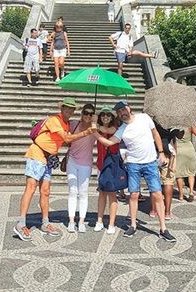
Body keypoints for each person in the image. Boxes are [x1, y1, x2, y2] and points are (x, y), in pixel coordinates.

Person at [14, 98, 96, 241]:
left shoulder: (66, 124)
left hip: (48, 158)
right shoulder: (54, 120)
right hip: (37, 154)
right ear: (61, 108)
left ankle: (45, 223)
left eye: (72, 109)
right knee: (31, 188)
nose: (69, 111)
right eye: (67, 108)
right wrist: (85, 132)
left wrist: (92, 123)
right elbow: (67, 139)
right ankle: (21, 224)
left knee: (45, 192)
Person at [94, 101, 176, 242]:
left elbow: (155, 134)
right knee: (133, 195)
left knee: (157, 194)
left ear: (129, 108)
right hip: (133, 164)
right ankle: (132, 225)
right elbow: (108, 141)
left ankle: (163, 228)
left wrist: (161, 152)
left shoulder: (144, 117)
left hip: (150, 162)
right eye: (119, 112)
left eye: (123, 110)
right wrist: (94, 131)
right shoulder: (122, 129)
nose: (122, 113)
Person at [66, 103, 97, 233]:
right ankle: (72, 221)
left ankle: (81, 221)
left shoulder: (95, 128)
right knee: (73, 191)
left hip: (86, 163)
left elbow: (110, 130)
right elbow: (66, 138)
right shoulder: (74, 124)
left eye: (91, 114)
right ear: (81, 113)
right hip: (72, 161)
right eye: (86, 113)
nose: (88, 116)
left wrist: (95, 122)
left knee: (83, 193)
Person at [94, 106, 120, 234]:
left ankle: (111, 223)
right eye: (103, 114)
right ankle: (99, 221)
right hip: (100, 165)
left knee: (112, 194)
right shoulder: (98, 129)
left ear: (112, 117)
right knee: (102, 193)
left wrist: (95, 127)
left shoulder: (115, 128)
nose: (105, 117)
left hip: (112, 165)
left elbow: (107, 130)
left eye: (108, 115)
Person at [150, 121, 178, 220]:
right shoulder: (173, 121)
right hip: (168, 153)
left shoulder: (153, 121)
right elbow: (175, 140)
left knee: (154, 181)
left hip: (154, 152)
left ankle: (153, 210)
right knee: (168, 182)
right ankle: (167, 212)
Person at [176, 125, 196, 202]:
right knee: (191, 173)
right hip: (189, 149)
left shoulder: (173, 125)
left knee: (179, 174)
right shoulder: (189, 124)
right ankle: (191, 192)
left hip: (178, 149)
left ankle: (181, 195)